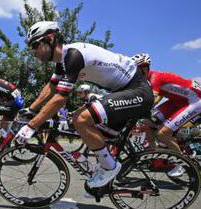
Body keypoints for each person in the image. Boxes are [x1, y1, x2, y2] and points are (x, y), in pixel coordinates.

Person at [15, 21, 154, 188]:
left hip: (138, 91)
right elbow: (51, 87)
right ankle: (104, 180)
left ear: (50, 39)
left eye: (35, 44)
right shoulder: (63, 61)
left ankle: (110, 168)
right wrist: (31, 109)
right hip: (122, 92)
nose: (34, 51)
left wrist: (32, 125)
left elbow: (60, 98)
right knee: (88, 129)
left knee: (81, 119)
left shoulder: (73, 56)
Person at [131, 53, 201, 154]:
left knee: (163, 133)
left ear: (145, 69)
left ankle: (182, 164)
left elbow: (151, 100)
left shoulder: (155, 78)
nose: (133, 74)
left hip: (195, 101)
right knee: (145, 123)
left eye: (135, 71)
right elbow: (157, 97)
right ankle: (153, 156)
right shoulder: (148, 81)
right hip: (178, 101)